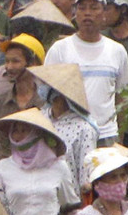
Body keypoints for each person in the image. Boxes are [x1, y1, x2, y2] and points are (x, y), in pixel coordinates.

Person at [44, 0, 128, 146]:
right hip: (69, 133)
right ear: (75, 13)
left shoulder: (117, 51)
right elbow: (47, 94)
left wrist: (120, 135)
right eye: (82, 8)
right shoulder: (60, 49)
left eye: (94, 8)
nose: (87, 13)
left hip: (106, 134)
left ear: (104, 13)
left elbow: (122, 97)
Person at [0, 34, 45, 157]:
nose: (9, 67)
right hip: (2, 164)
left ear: (33, 63)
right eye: (7, 61)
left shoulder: (46, 98)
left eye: (15, 61)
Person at [30, 63, 98, 192]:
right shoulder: (38, 119)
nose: (41, 87)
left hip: (68, 195)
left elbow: (86, 173)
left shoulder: (84, 129)